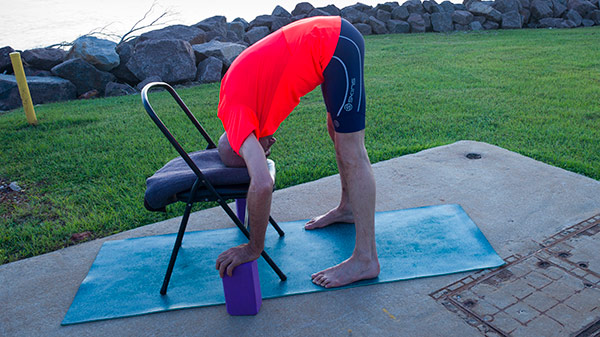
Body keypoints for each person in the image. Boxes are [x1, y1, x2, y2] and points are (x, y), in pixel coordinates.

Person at [215, 16, 379, 288]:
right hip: (329, 44)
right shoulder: (234, 103)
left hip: (335, 43)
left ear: (244, 144)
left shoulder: (239, 121)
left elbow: (262, 183)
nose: (267, 150)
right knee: (336, 130)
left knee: (352, 149)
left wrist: (253, 248)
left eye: (259, 150)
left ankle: (366, 259)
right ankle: (348, 208)